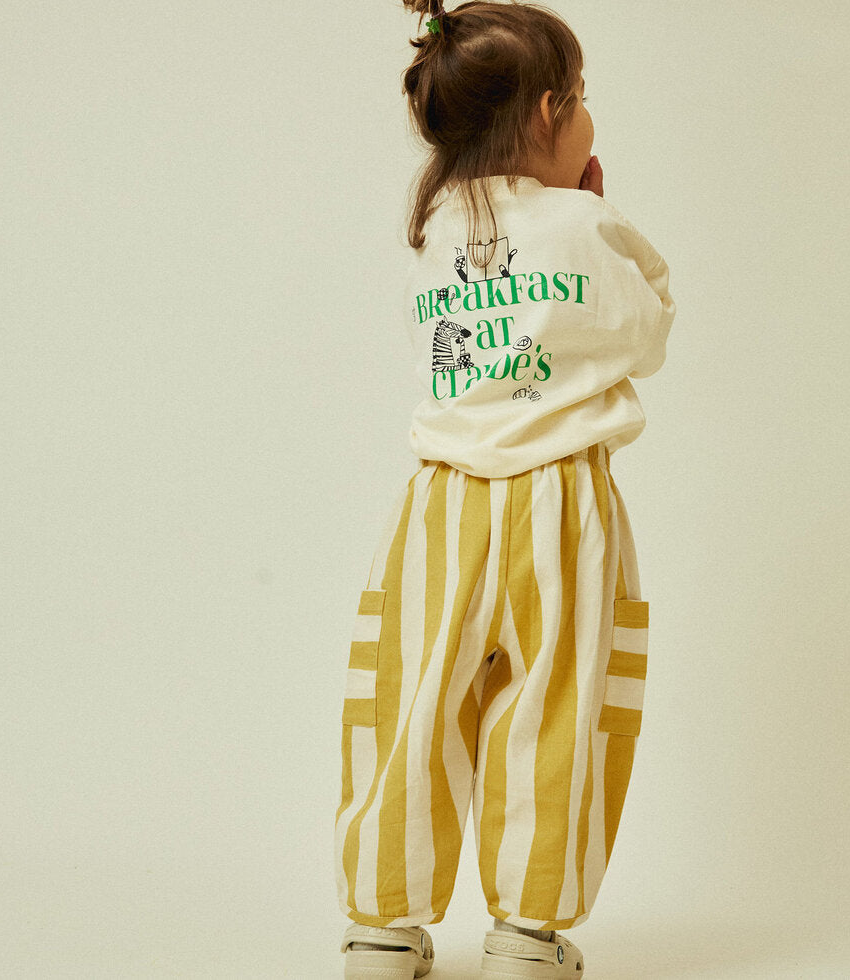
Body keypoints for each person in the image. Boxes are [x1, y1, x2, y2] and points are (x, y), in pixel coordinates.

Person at [334, 1, 676, 976]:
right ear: (545, 109)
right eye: (579, 97)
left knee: (410, 703)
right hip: (560, 504)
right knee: (556, 704)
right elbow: (644, 332)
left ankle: (381, 925)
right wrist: (597, 212)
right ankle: (526, 931)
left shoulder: (433, 225)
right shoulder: (586, 222)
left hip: (439, 503)